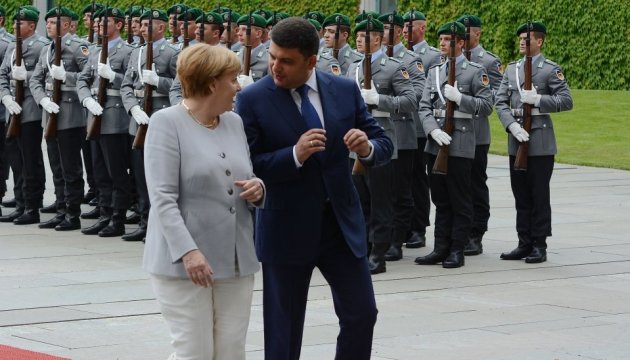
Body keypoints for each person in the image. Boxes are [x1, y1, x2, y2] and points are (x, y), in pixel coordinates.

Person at [236, 17, 393, 359]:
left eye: (286, 61)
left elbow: (383, 143)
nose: (275, 67)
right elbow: (246, 164)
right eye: (272, 56)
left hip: (339, 226)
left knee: (362, 314)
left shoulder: (343, 89)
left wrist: (366, 148)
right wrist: (294, 154)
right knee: (284, 331)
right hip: (285, 227)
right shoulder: (251, 99)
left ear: (311, 61)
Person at [144, 44, 263, 360]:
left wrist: (258, 189)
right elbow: (162, 198)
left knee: (231, 351)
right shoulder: (165, 122)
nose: (238, 86)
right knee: (193, 351)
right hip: (184, 261)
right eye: (232, 79)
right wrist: (189, 252)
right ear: (212, 83)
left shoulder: (234, 122)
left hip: (236, 257)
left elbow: (246, 175)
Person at [415, 21, 493, 268]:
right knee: (439, 197)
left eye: (447, 40)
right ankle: (440, 247)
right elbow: (424, 107)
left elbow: (487, 106)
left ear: (460, 42)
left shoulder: (474, 71)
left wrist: (461, 98)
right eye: (440, 40)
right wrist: (432, 131)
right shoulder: (435, 72)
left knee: (460, 197)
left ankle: (457, 249)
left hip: (460, 141)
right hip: (436, 141)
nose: (442, 44)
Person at [495, 21, 573, 263]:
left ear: (539, 41)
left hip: (539, 140)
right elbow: (500, 102)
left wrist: (539, 99)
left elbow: (566, 100)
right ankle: (524, 242)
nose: (521, 41)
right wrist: (512, 125)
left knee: (539, 194)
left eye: (527, 39)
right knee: (520, 194)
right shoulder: (511, 69)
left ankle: (539, 243)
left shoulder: (550, 69)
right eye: (520, 38)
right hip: (516, 137)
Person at [345, 17, 417, 274]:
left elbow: (410, 100)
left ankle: (379, 253)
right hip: (355, 140)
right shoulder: (352, 67)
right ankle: (362, 248)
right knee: (360, 200)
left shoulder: (393, 67)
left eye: (365, 37)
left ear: (378, 39)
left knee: (380, 202)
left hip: (381, 138)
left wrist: (380, 99)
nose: (359, 40)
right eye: (358, 37)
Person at [120, 8, 179, 242]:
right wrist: (132, 108)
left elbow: (180, 86)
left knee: (160, 177)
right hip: (139, 120)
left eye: (148, 25)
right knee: (141, 175)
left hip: (160, 116)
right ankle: (145, 222)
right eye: (141, 26)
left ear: (162, 27)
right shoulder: (137, 52)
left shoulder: (173, 53)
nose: (142, 29)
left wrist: (159, 82)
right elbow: (126, 85)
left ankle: (160, 225)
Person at [29, 6, 90, 231]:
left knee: (70, 167)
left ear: (65, 25)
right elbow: (35, 79)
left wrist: (67, 77)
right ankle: (61, 209)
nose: (49, 26)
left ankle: (72, 214)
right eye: (48, 23)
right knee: (56, 166)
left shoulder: (78, 47)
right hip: (50, 113)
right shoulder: (48, 49)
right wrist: (42, 100)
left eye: (53, 23)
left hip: (70, 115)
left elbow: (89, 76)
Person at [76, 7, 134, 237]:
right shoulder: (95, 51)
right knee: (99, 170)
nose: (99, 26)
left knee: (116, 171)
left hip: (114, 117)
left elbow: (132, 82)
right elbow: (82, 79)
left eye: (105, 22)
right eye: (98, 23)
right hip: (94, 115)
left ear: (118, 25)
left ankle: (118, 218)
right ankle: (105, 213)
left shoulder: (128, 51)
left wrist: (114, 76)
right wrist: (87, 100)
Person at [456, 14, 503, 256]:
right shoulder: (451, 59)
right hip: (452, 132)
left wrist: (464, 100)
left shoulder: (489, 62)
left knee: (475, 183)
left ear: (478, 34)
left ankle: (476, 233)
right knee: (456, 185)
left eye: (468, 32)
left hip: (476, 133)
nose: (463, 36)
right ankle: (459, 231)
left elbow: (493, 97)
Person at [0, 7, 50, 225]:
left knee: (30, 159)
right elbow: (2, 74)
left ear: (31, 25)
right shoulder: (12, 45)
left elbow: (46, 76)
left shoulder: (41, 46)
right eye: (14, 23)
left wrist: (26, 75)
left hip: (30, 107)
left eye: (19, 23)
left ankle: (31, 205)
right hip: (12, 107)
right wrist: (6, 97)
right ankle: (20, 202)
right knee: (16, 158)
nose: (14, 26)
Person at [402, 10, 442, 249]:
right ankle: (402, 225)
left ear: (422, 28)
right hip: (398, 127)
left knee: (418, 179)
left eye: (410, 27)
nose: (406, 32)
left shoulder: (432, 56)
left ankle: (418, 227)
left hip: (418, 126)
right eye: (404, 28)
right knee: (399, 180)